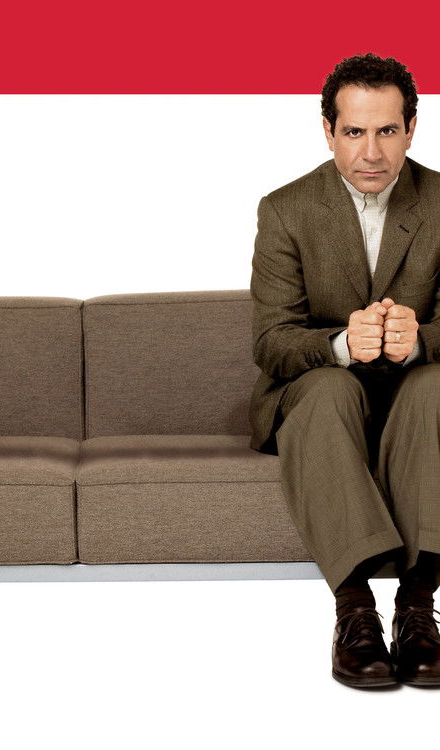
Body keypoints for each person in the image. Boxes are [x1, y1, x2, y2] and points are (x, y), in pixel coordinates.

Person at [248, 52, 440, 688]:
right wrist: (338, 344)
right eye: (354, 131)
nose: (371, 152)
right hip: (321, 399)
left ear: (411, 129)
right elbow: (272, 342)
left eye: (387, 131)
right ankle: (356, 611)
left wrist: (420, 341)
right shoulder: (285, 209)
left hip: (413, 398)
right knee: (329, 388)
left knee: (435, 385)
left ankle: (418, 608)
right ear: (328, 131)